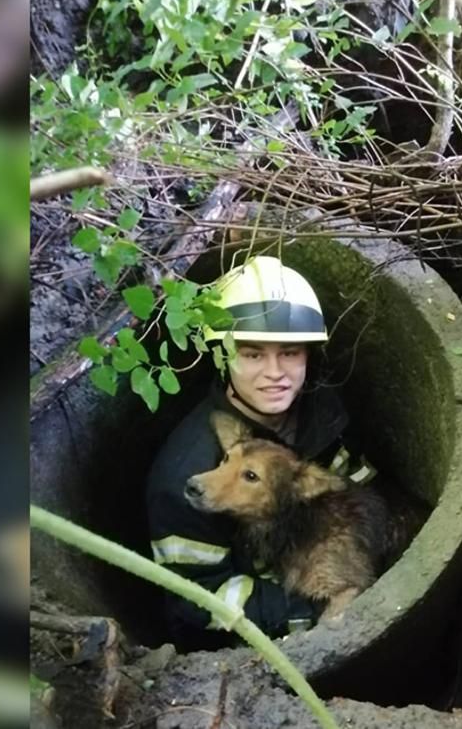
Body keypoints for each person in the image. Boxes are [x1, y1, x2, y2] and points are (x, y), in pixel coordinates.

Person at [145, 255, 376, 652]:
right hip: (245, 633)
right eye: (252, 354)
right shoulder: (185, 473)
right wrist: (308, 605)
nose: (275, 373)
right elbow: (195, 596)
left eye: (289, 353)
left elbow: (353, 487)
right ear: (222, 356)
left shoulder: (320, 410)